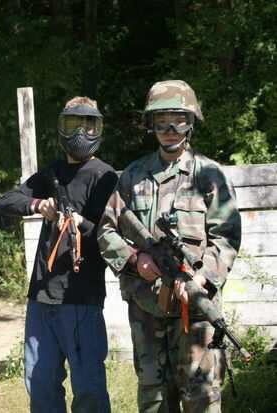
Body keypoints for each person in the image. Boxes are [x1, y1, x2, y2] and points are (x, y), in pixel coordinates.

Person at [97, 80, 242, 412]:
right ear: (151, 125)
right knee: (154, 398)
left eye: (178, 120)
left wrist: (201, 278)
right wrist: (135, 259)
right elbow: (106, 230)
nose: (170, 130)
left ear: (191, 123)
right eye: (161, 122)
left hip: (196, 308)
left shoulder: (210, 175)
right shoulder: (133, 176)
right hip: (147, 309)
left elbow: (226, 237)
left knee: (201, 396)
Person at [0, 97, 118, 413]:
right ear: (62, 127)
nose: (80, 133)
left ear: (98, 129)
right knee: (41, 385)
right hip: (41, 297)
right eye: (73, 124)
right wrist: (38, 205)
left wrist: (81, 224)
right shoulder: (52, 173)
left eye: (88, 125)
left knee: (89, 389)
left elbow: (113, 238)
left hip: (82, 298)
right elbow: (6, 201)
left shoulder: (105, 177)